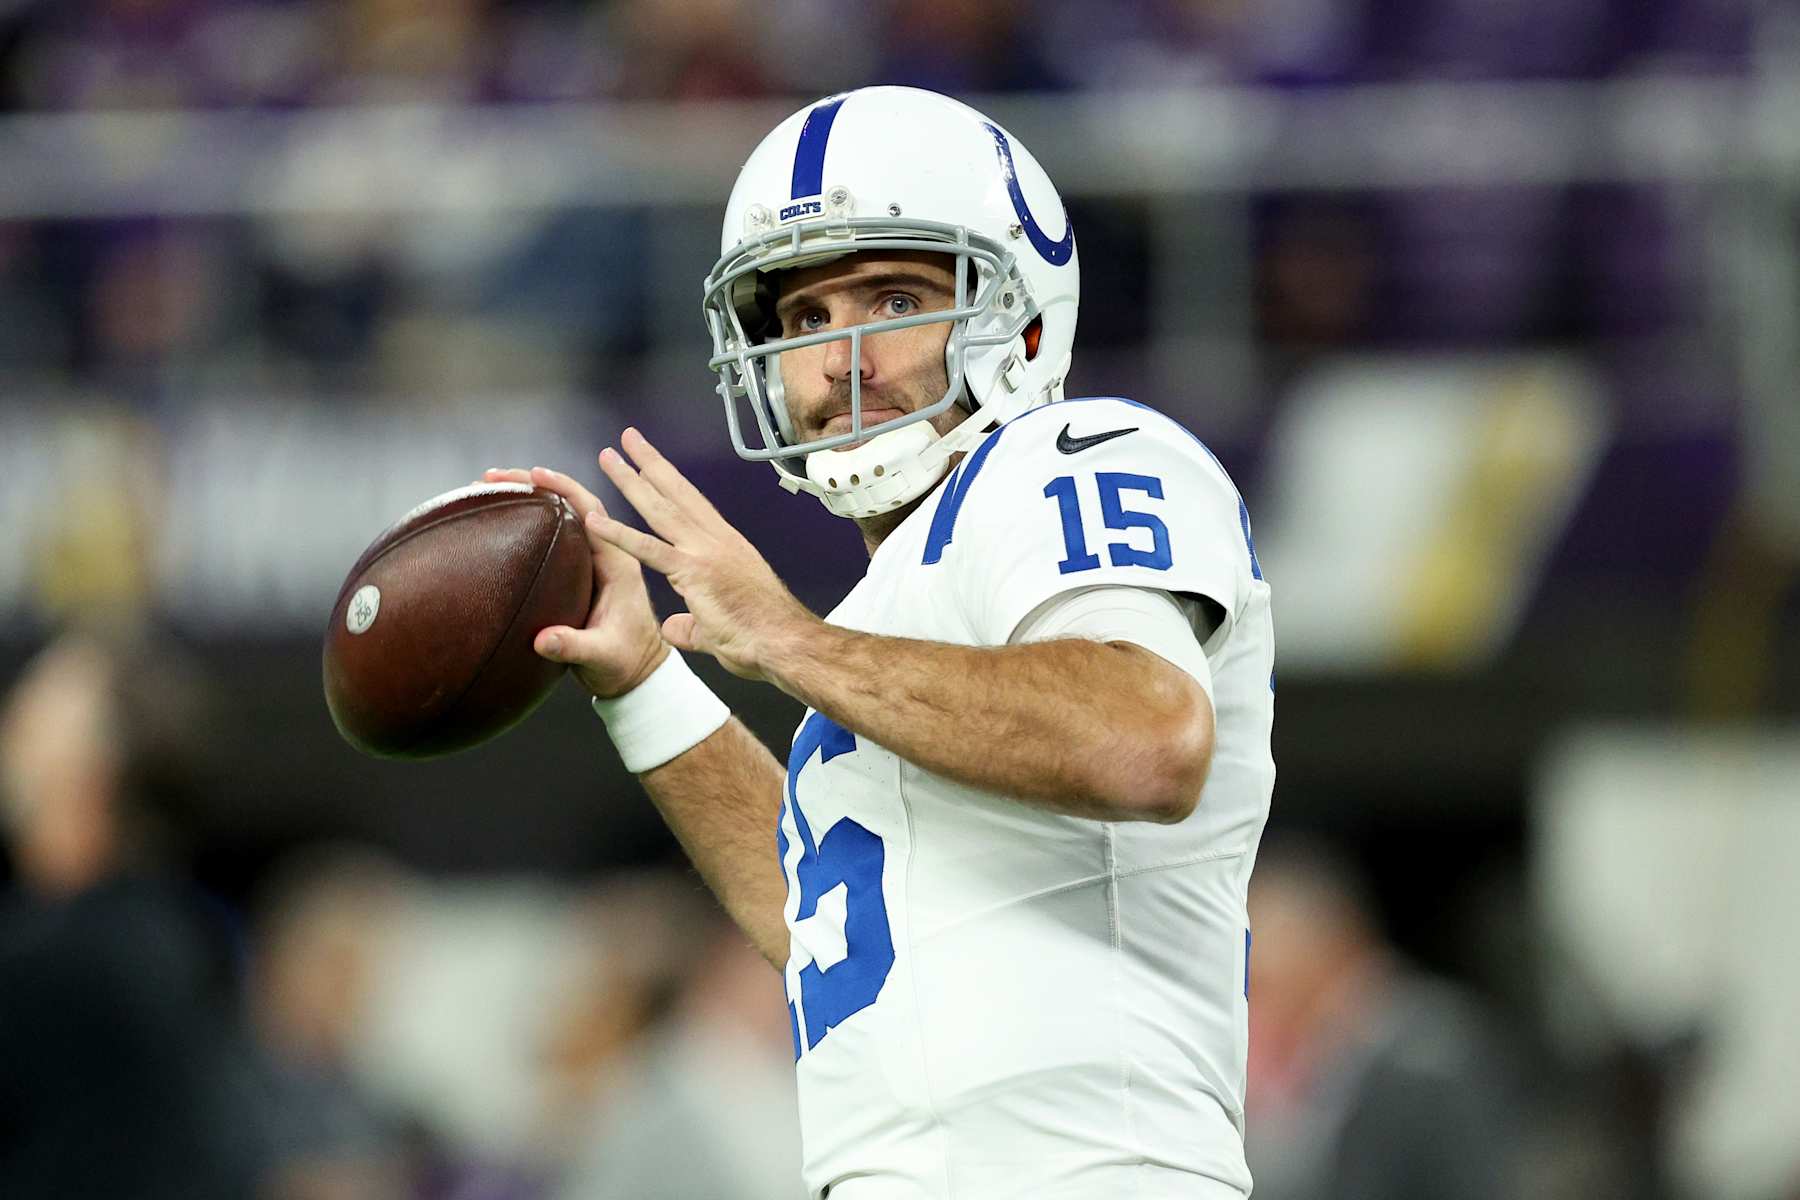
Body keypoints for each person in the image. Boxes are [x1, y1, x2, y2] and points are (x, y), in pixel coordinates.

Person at [486, 85, 1276, 1199]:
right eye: (803, 321)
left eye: (891, 296)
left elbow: (1146, 737)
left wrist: (786, 637)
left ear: (1024, 319)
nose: (839, 358)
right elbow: (828, 923)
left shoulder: (1079, 456)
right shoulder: (881, 626)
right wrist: (645, 684)